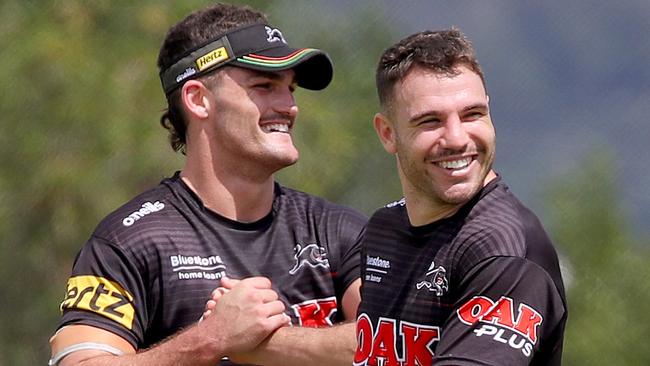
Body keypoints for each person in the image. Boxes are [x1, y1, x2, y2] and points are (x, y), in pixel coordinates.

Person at [48, 3, 366, 366]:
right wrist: (210, 338)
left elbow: (396, 342)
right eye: (265, 86)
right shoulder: (130, 241)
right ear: (198, 100)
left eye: (290, 88)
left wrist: (263, 345)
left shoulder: (339, 230)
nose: (289, 105)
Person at [353, 28, 567, 365]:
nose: (456, 138)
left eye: (472, 115)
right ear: (388, 133)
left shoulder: (505, 253)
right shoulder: (384, 229)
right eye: (430, 121)